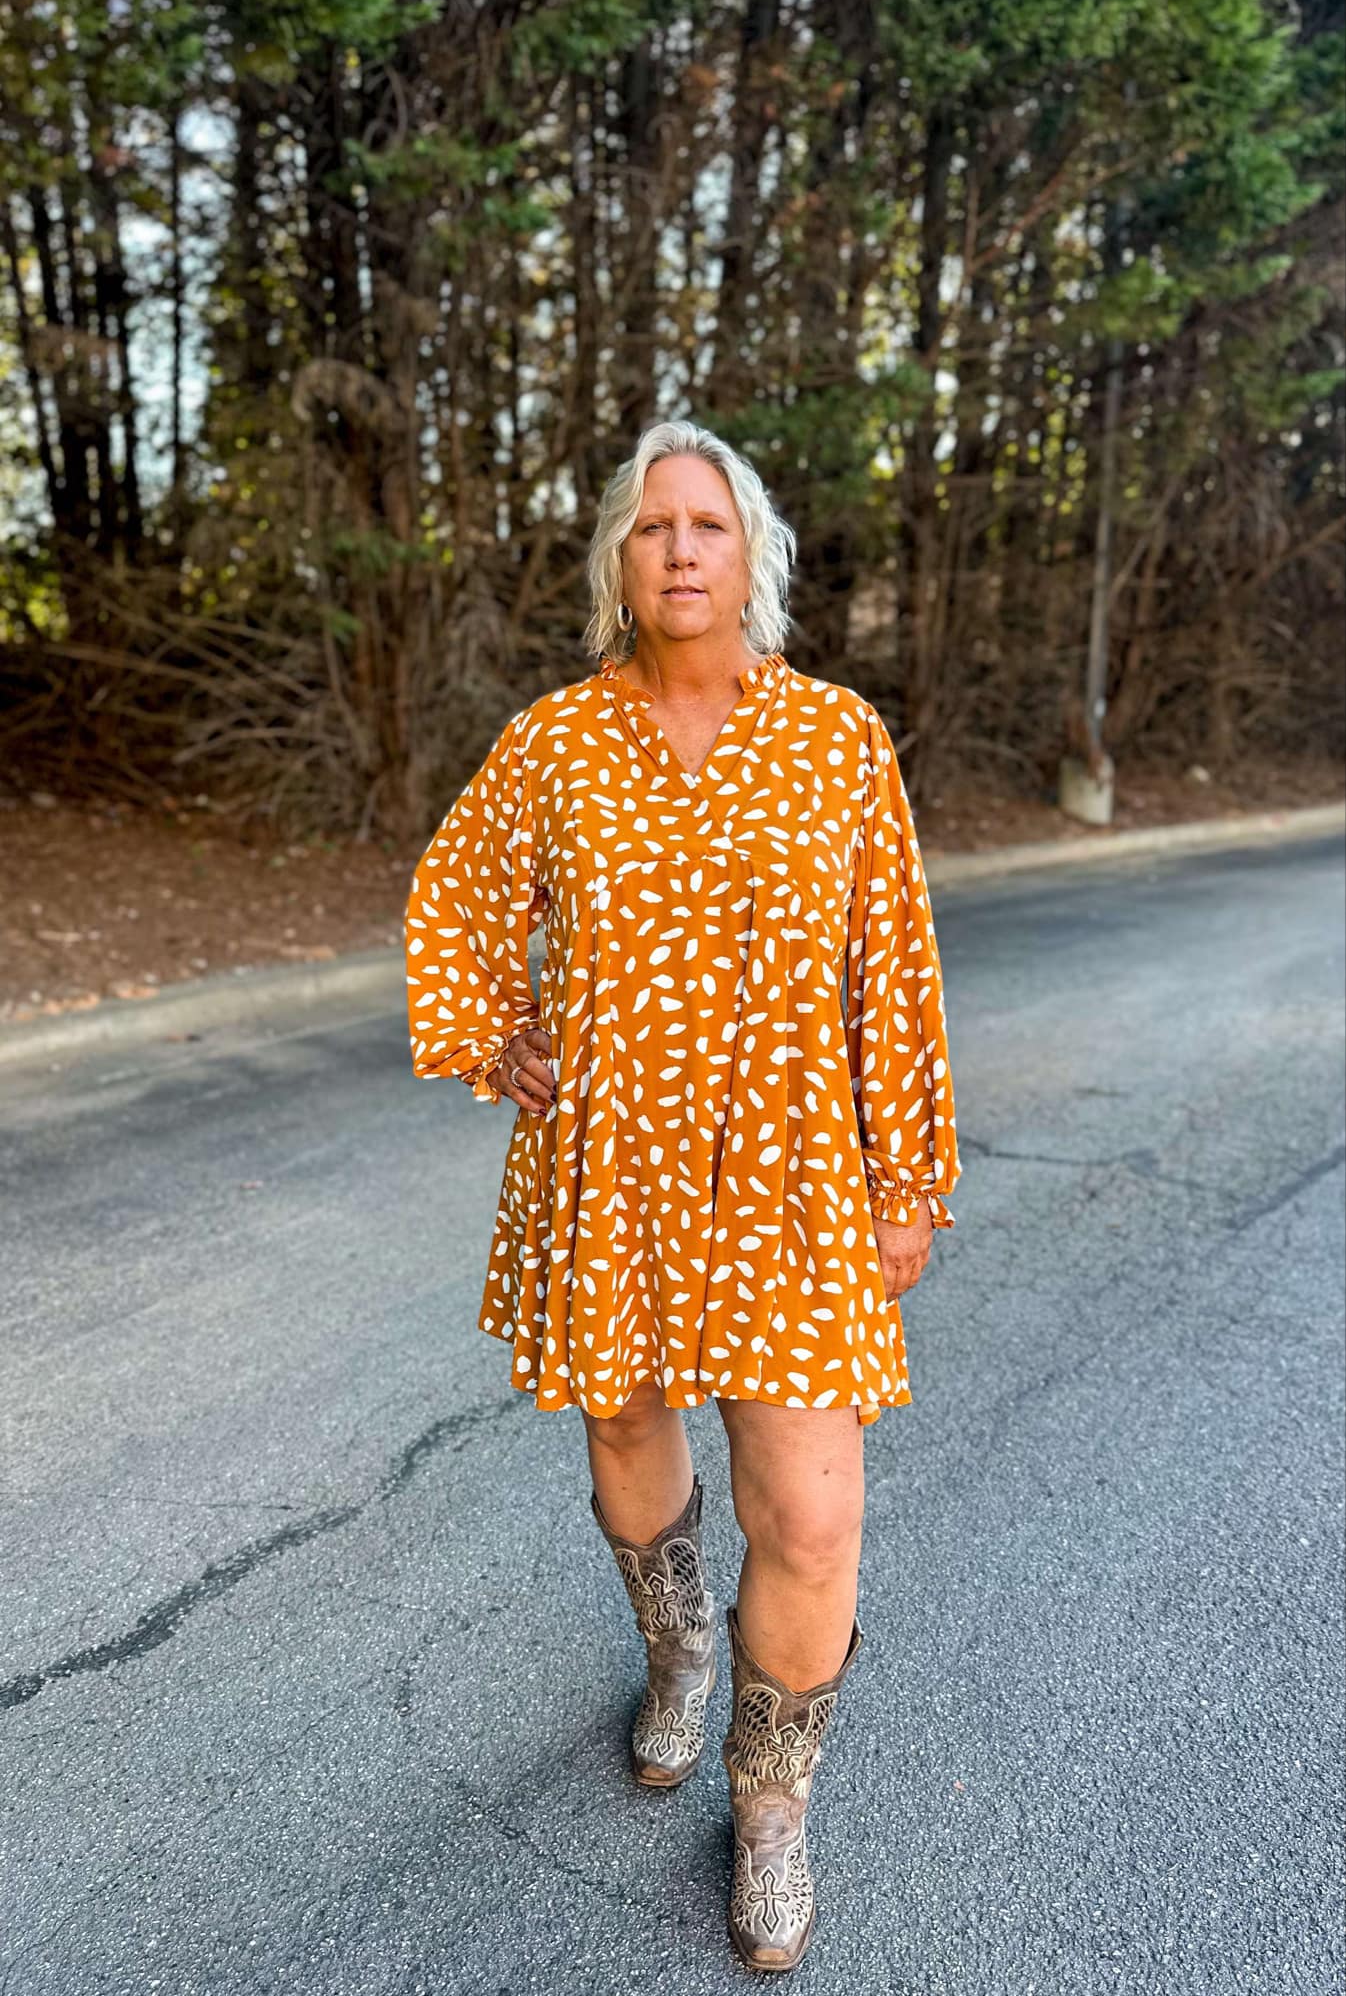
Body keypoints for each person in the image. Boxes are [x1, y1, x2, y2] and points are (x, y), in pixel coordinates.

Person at [403, 418, 961, 1973]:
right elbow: (456, 897)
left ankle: (770, 1799)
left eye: (706, 523)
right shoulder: (555, 743)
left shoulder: (835, 739)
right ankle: (676, 1643)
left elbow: (890, 968)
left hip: (792, 1179)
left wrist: (905, 1173)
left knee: (810, 1502)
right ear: (618, 565)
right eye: (651, 529)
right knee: (628, 1427)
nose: (680, 549)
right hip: (615, 1172)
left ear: (751, 554)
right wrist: (487, 1033)